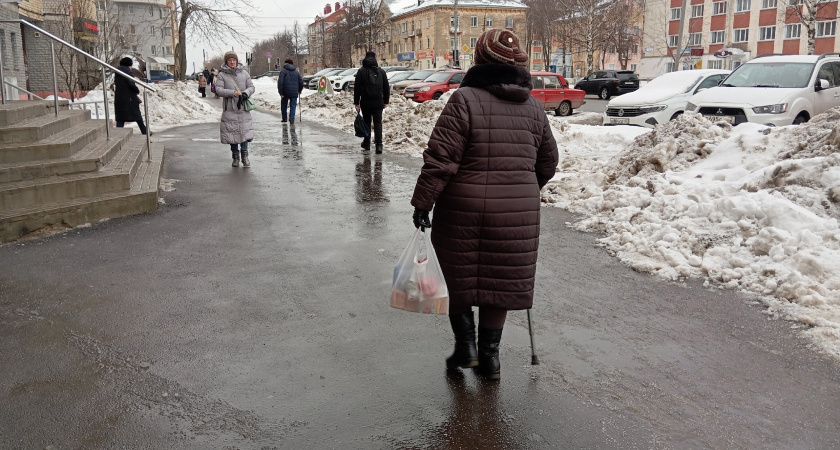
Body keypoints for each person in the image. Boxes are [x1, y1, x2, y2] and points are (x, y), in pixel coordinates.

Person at [409, 29, 559, 381]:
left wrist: (422, 202)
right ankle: (490, 359)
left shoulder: (464, 101)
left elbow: (440, 160)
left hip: (463, 210)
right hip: (516, 216)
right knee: (499, 286)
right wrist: (522, 188)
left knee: (458, 280)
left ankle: (467, 348)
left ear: (480, 60)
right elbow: (548, 163)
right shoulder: (535, 109)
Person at [215, 51, 255, 168]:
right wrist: (233, 93)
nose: (232, 62)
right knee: (231, 133)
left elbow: (251, 87)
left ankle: (245, 156)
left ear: (237, 61)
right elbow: (218, 90)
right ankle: (235, 157)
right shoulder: (222, 75)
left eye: (234, 60)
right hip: (230, 108)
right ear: (226, 61)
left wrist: (245, 93)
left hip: (243, 107)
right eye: (229, 60)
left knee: (244, 132)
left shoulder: (244, 73)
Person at [353, 51, 389, 154]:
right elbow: (386, 88)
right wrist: (386, 101)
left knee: (367, 122)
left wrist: (356, 103)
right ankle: (379, 146)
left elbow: (357, 88)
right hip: (378, 102)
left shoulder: (361, 71)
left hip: (366, 102)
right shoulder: (381, 72)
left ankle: (367, 143)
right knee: (378, 123)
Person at [114, 56, 148, 135]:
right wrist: (136, 90)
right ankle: (144, 131)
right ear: (129, 64)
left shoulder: (117, 71)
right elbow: (131, 83)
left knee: (120, 117)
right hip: (129, 98)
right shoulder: (128, 72)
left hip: (119, 97)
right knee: (137, 115)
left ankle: (118, 133)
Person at [277, 58, 304, 124]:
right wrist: (299, 90)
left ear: (285, 63)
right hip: (294, 91)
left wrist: (281, 92)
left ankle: (284, 118)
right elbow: (301, 82)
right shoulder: (296, 72)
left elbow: (280, 82)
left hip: (285, 91)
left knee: (284, 105)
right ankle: (292, 119)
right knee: (293, 106)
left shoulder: (283, 71)